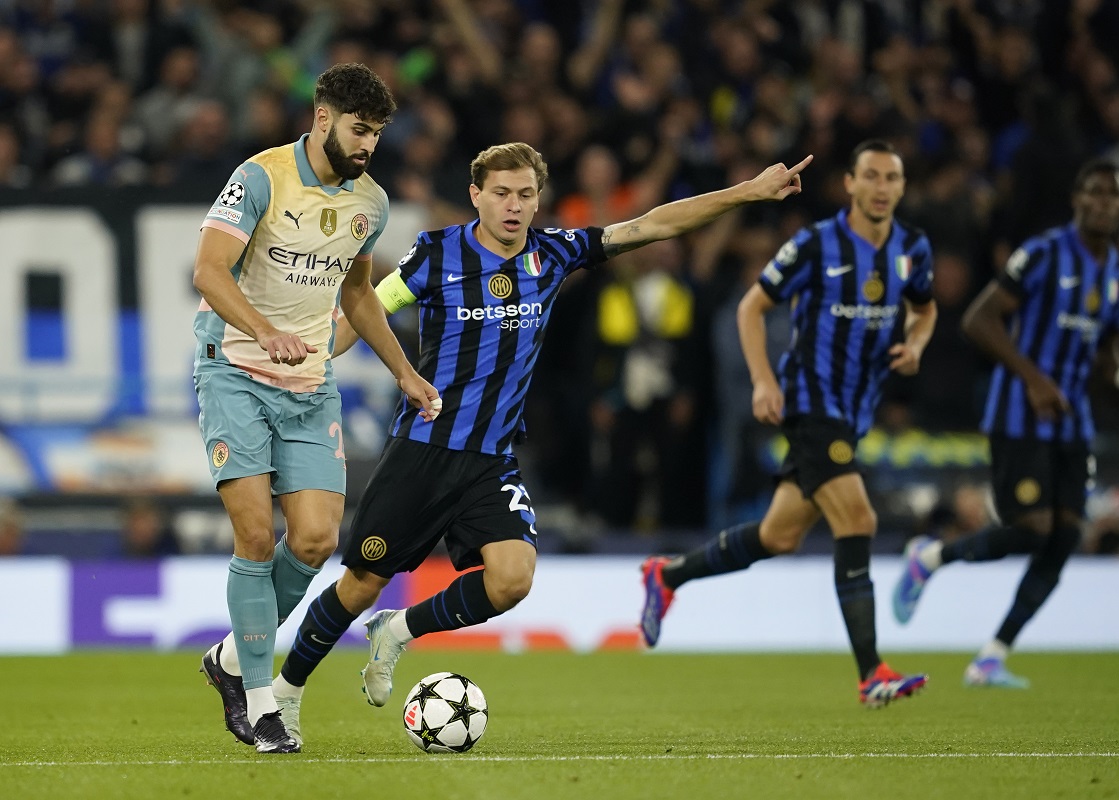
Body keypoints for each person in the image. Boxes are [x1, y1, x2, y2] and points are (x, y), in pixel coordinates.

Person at [269, 141, 813, 744]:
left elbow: (655, 224)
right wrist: (309, 364)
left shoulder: (554, 253)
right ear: (476, 195)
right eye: (501, 193)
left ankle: (397, 631)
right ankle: (284, 695)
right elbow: (367, 309)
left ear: (538, 200)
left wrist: (748, 192)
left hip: (491, 461)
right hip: (424, 449)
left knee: (511, 579)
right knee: (358, 586)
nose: (513, 205)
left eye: (525, 194)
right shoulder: (437, 253)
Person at [190, 63, 439, 754]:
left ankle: (230, 661)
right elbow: (209, 270)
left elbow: (358, 293)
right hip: (234, 370)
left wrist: (404, 371)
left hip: (308, 384)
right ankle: (262, 703)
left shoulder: (371, 203)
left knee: (316, 541)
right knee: (255, 535)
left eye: (378, 135)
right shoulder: (261, 176)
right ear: (324, 118)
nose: (368, 146)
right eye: (360, 130)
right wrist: (263, 330)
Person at [638, 140, 937, 708]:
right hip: (810, 403)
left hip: (855, 413)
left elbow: (925, 308)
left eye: (891, 178)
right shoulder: (816, 244)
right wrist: (763, 380)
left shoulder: (912, 249)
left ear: (901, 187)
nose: (880, 187)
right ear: (849, 184)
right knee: (859, 519)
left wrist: (918, 342)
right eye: (869, 175)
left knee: (778, 536)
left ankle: (667, 576)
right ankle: (871, 672)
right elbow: (750, 308)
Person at [892, 159, 1119, 688]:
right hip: (1018, 413)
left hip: (1072, 421)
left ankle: (992, 655)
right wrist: (1032, 378)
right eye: (1095, 192)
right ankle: (931, 556)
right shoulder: (1044, 254)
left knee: (1066, 536)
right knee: (1032, 529)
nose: (1104, 202)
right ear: (1077, 199)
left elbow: (1106, 348)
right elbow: (977, 319)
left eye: (1114, 195)